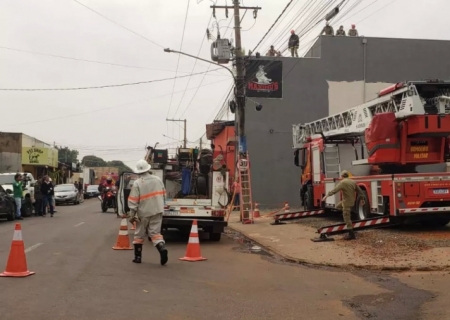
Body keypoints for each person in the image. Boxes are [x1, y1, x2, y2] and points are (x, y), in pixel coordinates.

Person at [128, 159, 168, 266]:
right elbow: (164, 194)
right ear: (148, 169)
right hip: (157, 210)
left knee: (139, 235)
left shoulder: (137, 183)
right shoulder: (158, 180)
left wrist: (132, 214)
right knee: (155, 234)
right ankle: (162, 248)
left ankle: (138, 257)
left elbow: (133, 200)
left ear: (138, 172)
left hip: (143, 212)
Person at [321, 170, 366, 240]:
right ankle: (347, 216)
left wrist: (326, 196)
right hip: (350, 202)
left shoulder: (342, 182)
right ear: (347, 175)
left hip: (346, 203)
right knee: (338, 206)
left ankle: (351, 234)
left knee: (347, 218)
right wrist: (362, 199)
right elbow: (360, 191)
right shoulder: (353, 182)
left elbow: (335, 190)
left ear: (342, 176)